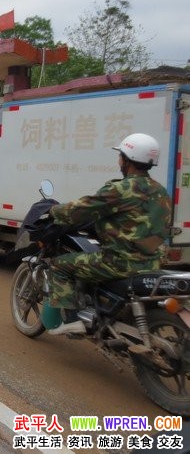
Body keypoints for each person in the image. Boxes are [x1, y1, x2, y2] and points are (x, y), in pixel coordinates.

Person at [45, 133, 171, 335]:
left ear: (126, 160)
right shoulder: (161, 190)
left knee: (60, 266)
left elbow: (82, 208)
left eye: (120, 156)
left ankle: (72, 321)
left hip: (118, 263)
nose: (119, 160)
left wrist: (53, 211)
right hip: (153, 263)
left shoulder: (120, 189)